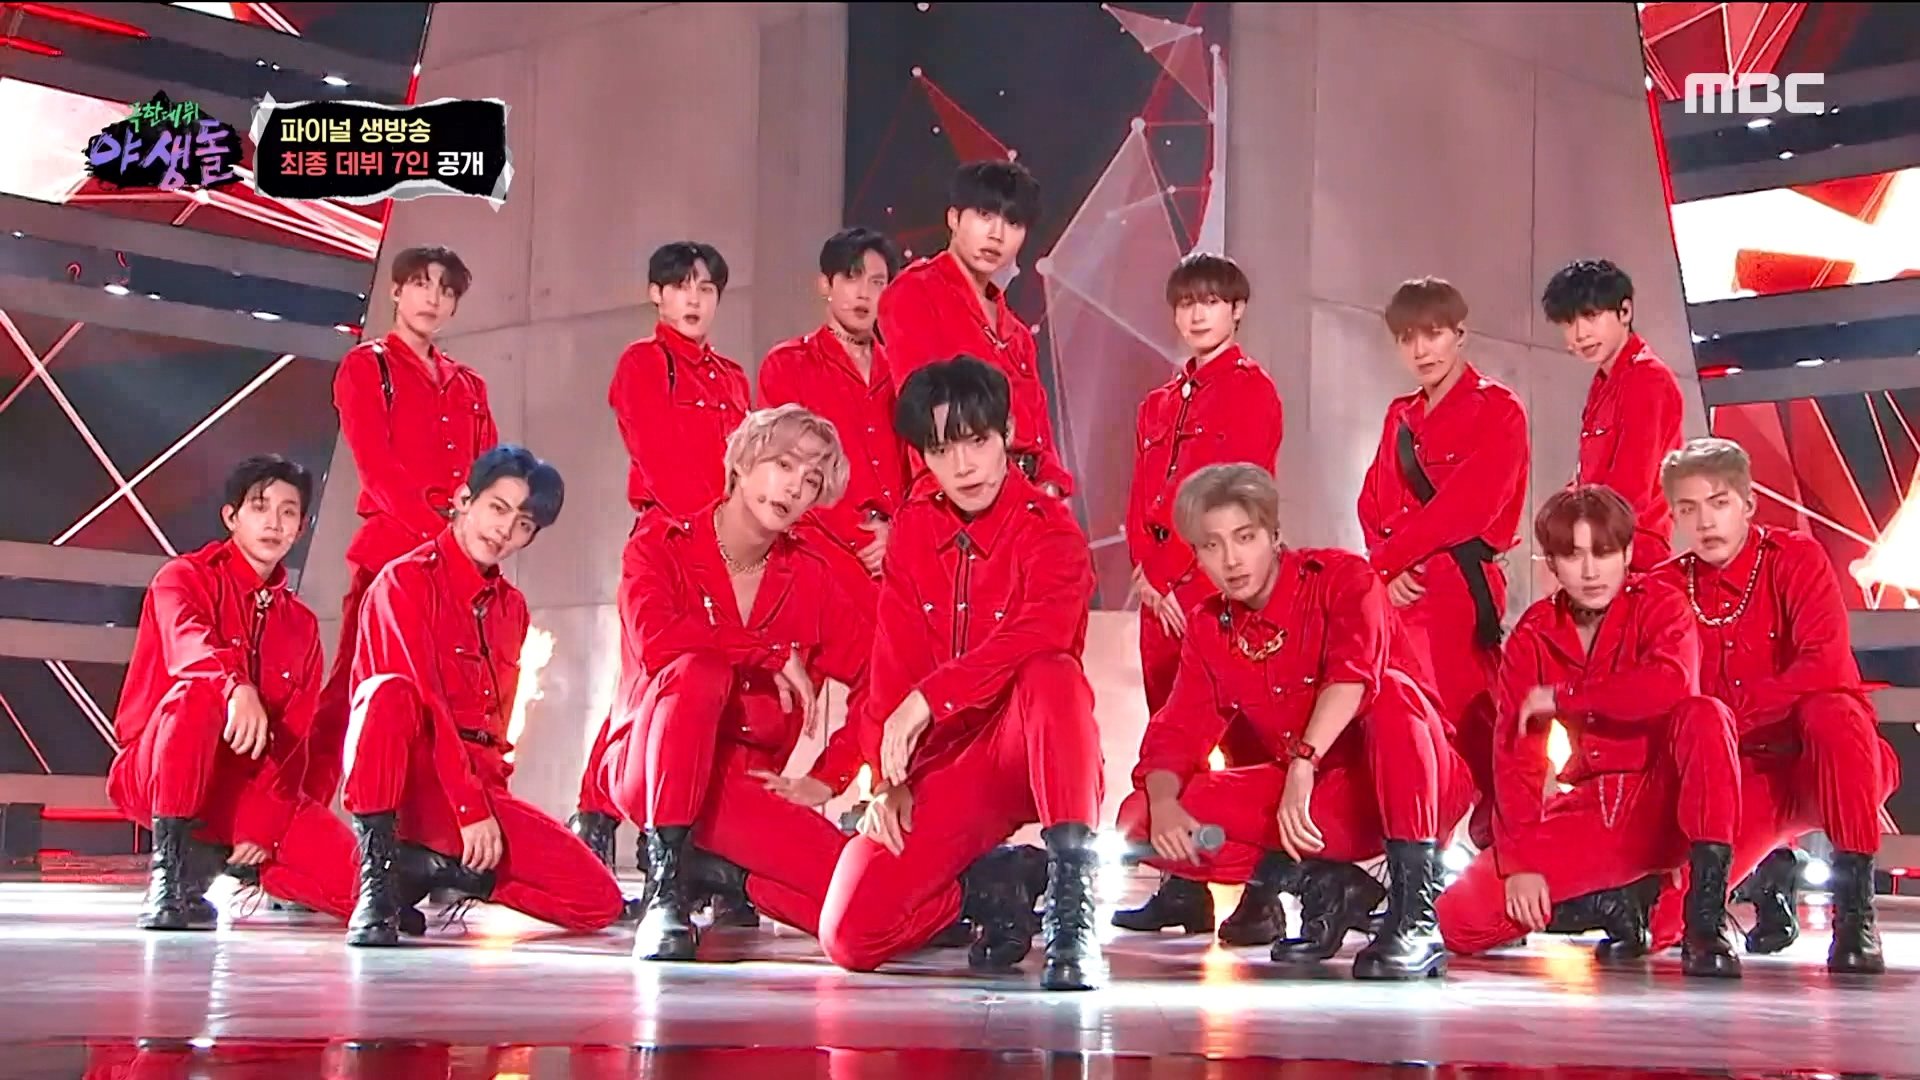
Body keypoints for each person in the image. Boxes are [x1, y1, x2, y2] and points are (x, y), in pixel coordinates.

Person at [817, 356, 1105, 991]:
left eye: (976, 441)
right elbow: (891, 661)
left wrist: (930, 699)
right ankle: (993, 883)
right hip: (950, 767)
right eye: (942, 450)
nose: (964, 466)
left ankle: (1072, 904)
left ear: (1008, 435)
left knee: (1051, 673)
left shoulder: (1052, 532)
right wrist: (888, 778)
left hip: (1029, 751)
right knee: (850, 934)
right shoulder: (914, 529)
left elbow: (1040, 634)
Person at [1116, 464, 1471, 980]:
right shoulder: (1210, 626)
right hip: (1315, 803)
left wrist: (1303, 763)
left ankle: (1416, 918)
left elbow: (1355, 676)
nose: (1231, 559)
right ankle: (1319, 881)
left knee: (1393, 692)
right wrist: (1166, 801)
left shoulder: (1346, 579)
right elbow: (1178, 732)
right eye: (1212, 546)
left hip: (1411, 783)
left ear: (1274, 534)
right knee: (1139, 817)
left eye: (1245, 537)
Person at [598, 405, 875, 962]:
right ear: (742, 463)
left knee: (866, 906)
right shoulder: (659, 546)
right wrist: (764, 654)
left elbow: (879, 679)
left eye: (811, 479)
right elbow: (659, 640)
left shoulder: (811, 576)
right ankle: (665, 891)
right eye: (783, 465)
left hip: (742, 787)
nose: (794, 487)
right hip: (650, 767)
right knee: (701, 670)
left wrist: (828, 778)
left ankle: (728, 875)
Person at [1434, 485, 1744, 977]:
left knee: (1706, 715)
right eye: (1573, 555)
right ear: (1553, 565)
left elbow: (1668, 686)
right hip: (1590, 807)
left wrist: (1565, 697)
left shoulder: (1661, 605)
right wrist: (1520, 862)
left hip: (1664, 806)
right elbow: (1516, 757)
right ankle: (1612, 902)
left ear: (1627, 554)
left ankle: (1706, 923)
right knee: (1457, 922)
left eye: (1603, 553)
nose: (1590, 571)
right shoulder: (1535, 632)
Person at [340, 446, 627, 947]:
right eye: (498, 508)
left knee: (598, 901)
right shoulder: (403, 582)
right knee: (388, 694)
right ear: (463, 500)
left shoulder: (512, 608)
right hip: (412, 789)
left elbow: (497, 729)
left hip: (475, 787)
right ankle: (378, 878)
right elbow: (427, 704)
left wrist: (489, 814)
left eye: (523, 524)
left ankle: (439, 870)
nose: (504, 530)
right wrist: (469, 811)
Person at [1648, 438, 1898, 974]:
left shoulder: (1795, 558)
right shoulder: (1666, 587)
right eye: (1689, 509)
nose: (1705, 522)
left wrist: (1730, 714)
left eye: (1719, 503)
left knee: (1833, 713)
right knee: (1661, 923)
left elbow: (1824, 666)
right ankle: (1762, 877)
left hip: (1825, 765)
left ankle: (1856, 920)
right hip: (1743, 780)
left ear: (1748, 504)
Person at [1112, 253, 1286, 943]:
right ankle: (1183, 889)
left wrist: (1182, 577)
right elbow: (1139, 500)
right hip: (1160, 599)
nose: (1197, 315)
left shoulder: (1253, 392)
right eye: (1187, 303)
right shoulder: (1157, 403)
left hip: (1220, 591)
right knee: (1171, 734)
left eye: (1210, 302)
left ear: (1236, 310)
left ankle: (1264, 896)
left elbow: (1240, 497)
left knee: (1245, 739)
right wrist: (1150, 574)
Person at [108, 456, 359, 930]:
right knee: (197, 695)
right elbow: (188, 645)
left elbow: (294, 744)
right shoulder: (182, 578)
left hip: (245, 791)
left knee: (368, 897)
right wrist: (234, 686)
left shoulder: (301, 626)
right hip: (159, 771)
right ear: (231, 516)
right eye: (260, 507)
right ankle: (171, 875)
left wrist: (263, 826)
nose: (274, 522)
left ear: (300, 528)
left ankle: (238, 865)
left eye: (288, 512)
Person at [574, 241, 754, 866]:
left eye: (706, 288)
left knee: (709, 686)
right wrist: (713, 532)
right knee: (644, 685)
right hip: (666, 540)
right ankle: (598, 817)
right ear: (656, 294)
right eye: (681, 287)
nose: (694, 300)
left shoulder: (733, 377)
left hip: (726, 548)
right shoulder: (643, 363)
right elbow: (657, 456)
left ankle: (697, 833)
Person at [313, 246, 497, 807]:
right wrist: (442, 538)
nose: (432, 298)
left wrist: (476, 539)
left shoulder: (470, 385)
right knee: (357, 690)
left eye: (446, 290)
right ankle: (299, 816)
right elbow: (378, 469)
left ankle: (437, 824)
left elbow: (490, 472)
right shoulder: (367, 367)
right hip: (391, 557)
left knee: (452, 697)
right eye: (421, 284)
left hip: (457, 569)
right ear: (396, 291)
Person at [1357, 276, 1529, 844]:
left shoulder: (1499, 410)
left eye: (1433, 334)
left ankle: (1486, 842)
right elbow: (1371, 502)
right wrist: (1387, 571)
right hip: (1401, 596)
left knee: (1468, 721)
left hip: (1460, 586)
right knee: (1409, 724)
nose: (1421, 350)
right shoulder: (1399, 416)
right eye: (1408, 338)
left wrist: (1387, 562)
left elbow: (1467, 509)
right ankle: (1418, 849)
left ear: (1460, 333)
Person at [877, 161, 1073, 499]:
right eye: (985, 215)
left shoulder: (1017, 334)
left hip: (1026, 498)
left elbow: (1041, 436)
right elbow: (924, 413)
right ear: (954, 218)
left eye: (1013, 222)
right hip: (959, 496)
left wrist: (1051, 488)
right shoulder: (915, 293)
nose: (997, 234)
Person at [758, 227, 910, 586]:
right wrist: (860, 537)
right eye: (851, 277)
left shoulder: (905, 372)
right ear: (825, 284)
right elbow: (782, 468)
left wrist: (897, 536)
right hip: (817, 552)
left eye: (877, 282)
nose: (864, 293)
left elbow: (922, 471)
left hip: (898, 557)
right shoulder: (788, 365)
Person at [1542, 259, 1684, 573]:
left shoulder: (1647, 378)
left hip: (1629, 555)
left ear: (1625, 312)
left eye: (1591, 316)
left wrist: (1569, 547)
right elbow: (1587, 479)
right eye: (1568, 322)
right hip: (1597, 549)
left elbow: (1629, 493)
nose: (1580, 333)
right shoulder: (1604, 381)